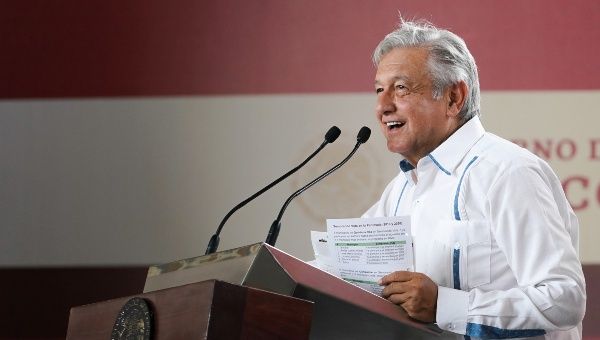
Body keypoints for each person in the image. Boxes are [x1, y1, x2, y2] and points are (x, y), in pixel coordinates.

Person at [363, 19, 586, 339]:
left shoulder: (509, 172)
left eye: (401, 88)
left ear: (454, 97)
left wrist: (445, 305)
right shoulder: (400, 189)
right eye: (379, 90)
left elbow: (564, 299)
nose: (382, 106)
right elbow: (343, 270)